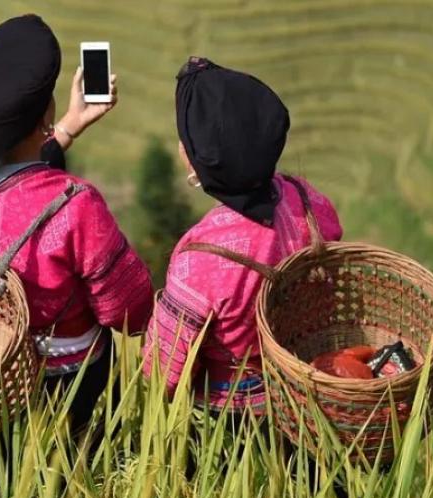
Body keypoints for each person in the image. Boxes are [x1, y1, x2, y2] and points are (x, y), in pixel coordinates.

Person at [0, 15, 154, 440]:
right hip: (71, 382)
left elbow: (16, 185)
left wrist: (68, 128)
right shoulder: (77, 205)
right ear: (45, 111)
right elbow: (128, 311)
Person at [142, 56, 343, 443]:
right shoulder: (310, 203)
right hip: (312, 401)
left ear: (195, 159)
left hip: (233, 429)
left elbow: (163, 371)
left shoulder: (199, 258)